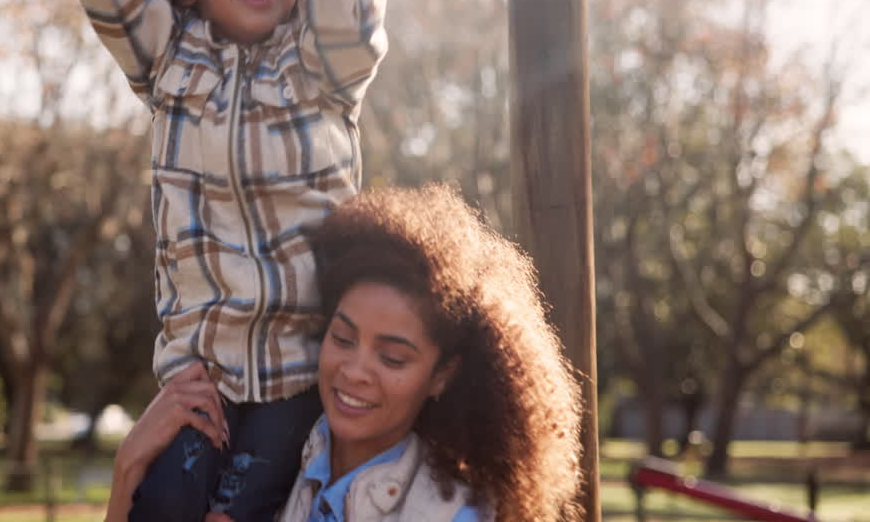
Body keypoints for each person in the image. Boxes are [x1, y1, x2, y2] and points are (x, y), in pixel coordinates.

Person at [71, 0, 387, 518]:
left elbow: (350, 7)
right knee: (162, 502)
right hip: (199, 375)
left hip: (301, 374)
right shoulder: (172, 62)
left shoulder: (321, 69)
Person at [106, 185, 585, 521]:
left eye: (393, 358)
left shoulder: (454, 514)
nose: (355, 370)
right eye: (342, 338)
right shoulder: (256, 464)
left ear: (442, 375)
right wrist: (129, 471)